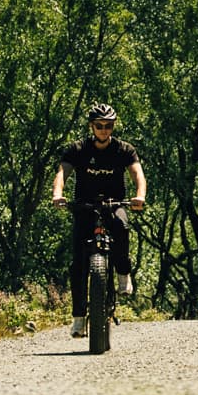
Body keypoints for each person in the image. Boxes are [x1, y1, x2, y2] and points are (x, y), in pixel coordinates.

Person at [51, 103, 145, 339]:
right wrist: (57, 194)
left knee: (122, 226)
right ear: (92, 126)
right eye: (100, 126)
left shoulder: (124, 149)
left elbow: (137, 174)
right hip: (85, 205)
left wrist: (139, 196)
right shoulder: (78, 149)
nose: (104, 130)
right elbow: (62, 173)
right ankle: (79, 319)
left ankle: (124, 274)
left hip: (115, 203)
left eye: (109, 126)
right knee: (78, 264)